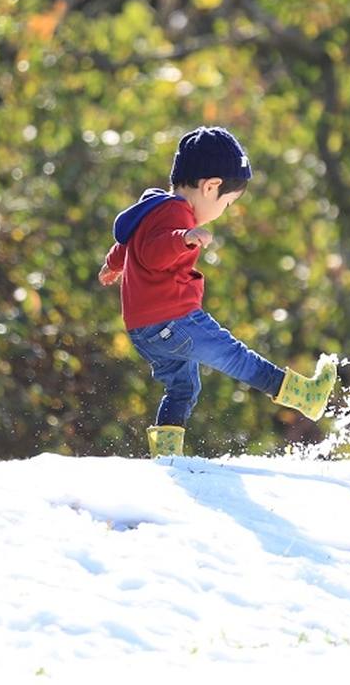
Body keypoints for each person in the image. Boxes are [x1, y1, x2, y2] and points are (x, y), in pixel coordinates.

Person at [99, 126, 337, 457]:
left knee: (183, 387)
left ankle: (167, 454)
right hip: (174, 320)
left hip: (144, 330)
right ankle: (303, 396)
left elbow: (129, 245)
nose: (224, 211)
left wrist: (113, 265)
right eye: (227, 203)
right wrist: (183, 238)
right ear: (211, 187)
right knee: (237, 357)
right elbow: (153, 252)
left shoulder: (153, 209)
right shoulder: (177, 215)